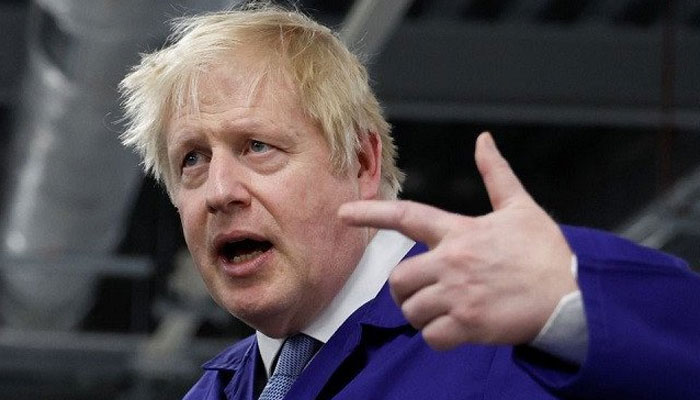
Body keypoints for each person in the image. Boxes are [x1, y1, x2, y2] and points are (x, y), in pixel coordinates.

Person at [119, 4, 700, 400]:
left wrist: (571, 304)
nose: (219, 191)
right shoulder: (219, 391)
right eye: (191, 159)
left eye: (258, 146)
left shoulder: (514, 337)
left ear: (363, 163)